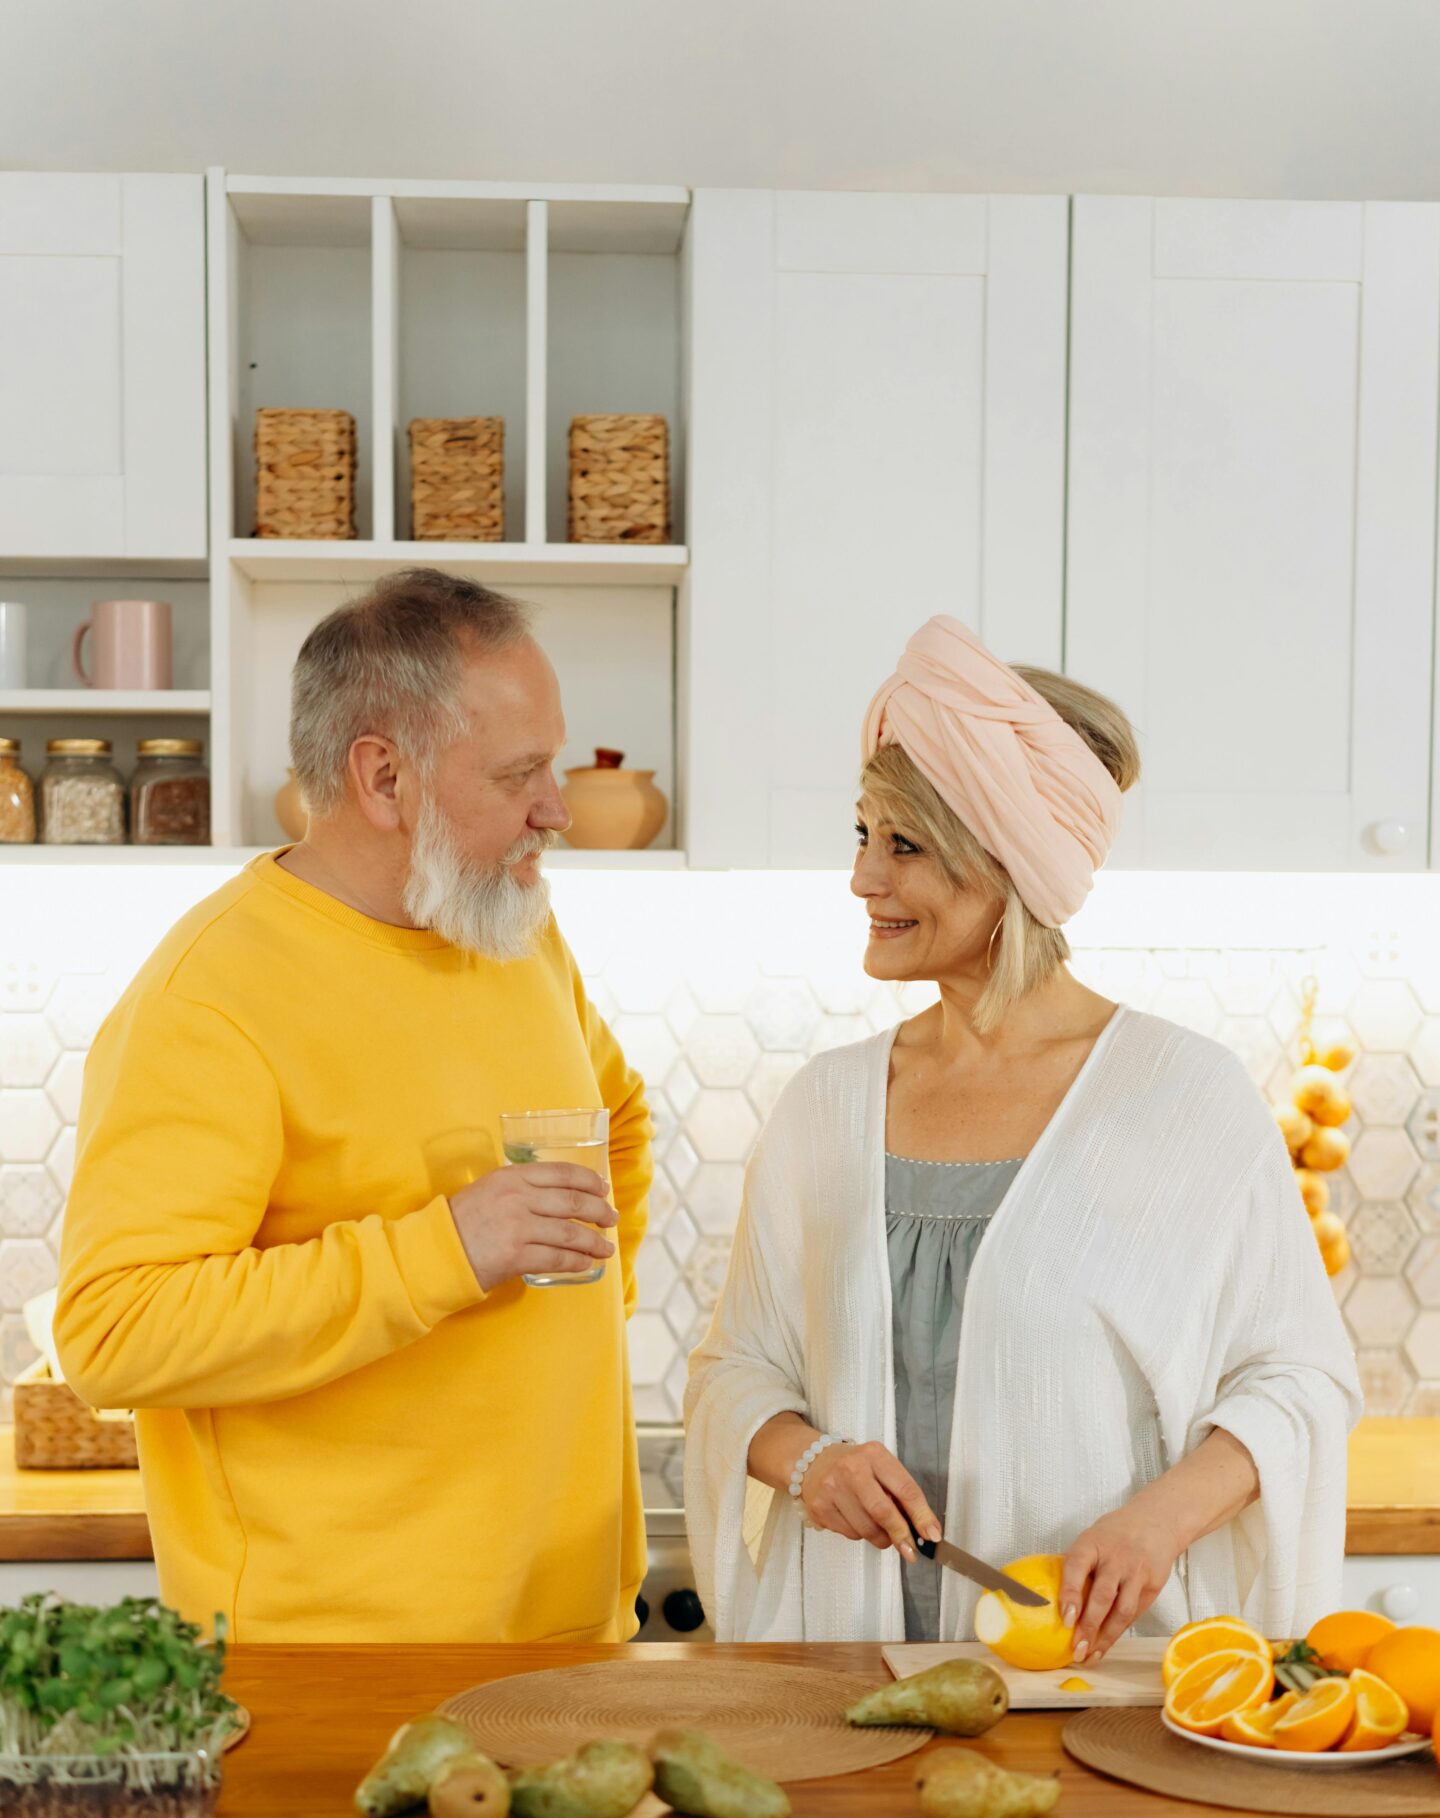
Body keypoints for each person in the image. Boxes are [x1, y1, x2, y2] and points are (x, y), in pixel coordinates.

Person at [686, 615, 1360, 1650]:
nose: (864, 880)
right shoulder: (824, 1108)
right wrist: (808, 1463)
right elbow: (737, 1369)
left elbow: (1301, 1379)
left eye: (904, 846)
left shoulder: (1184, 1100)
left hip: (1098, 1674)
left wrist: (1157, 1522)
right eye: (862, 836)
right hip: (839, 1676)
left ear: (1012, 869)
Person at [55, 570, 651, 1644]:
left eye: (553, 765)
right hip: (337, 1658)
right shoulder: (214, 995)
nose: (555, 808)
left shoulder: (507, 927)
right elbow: (114, 1330)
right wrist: (447, 1252)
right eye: (520, 773)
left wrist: (583, 1321)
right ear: (384, 777)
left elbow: (616, 1110)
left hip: (568, 1632)